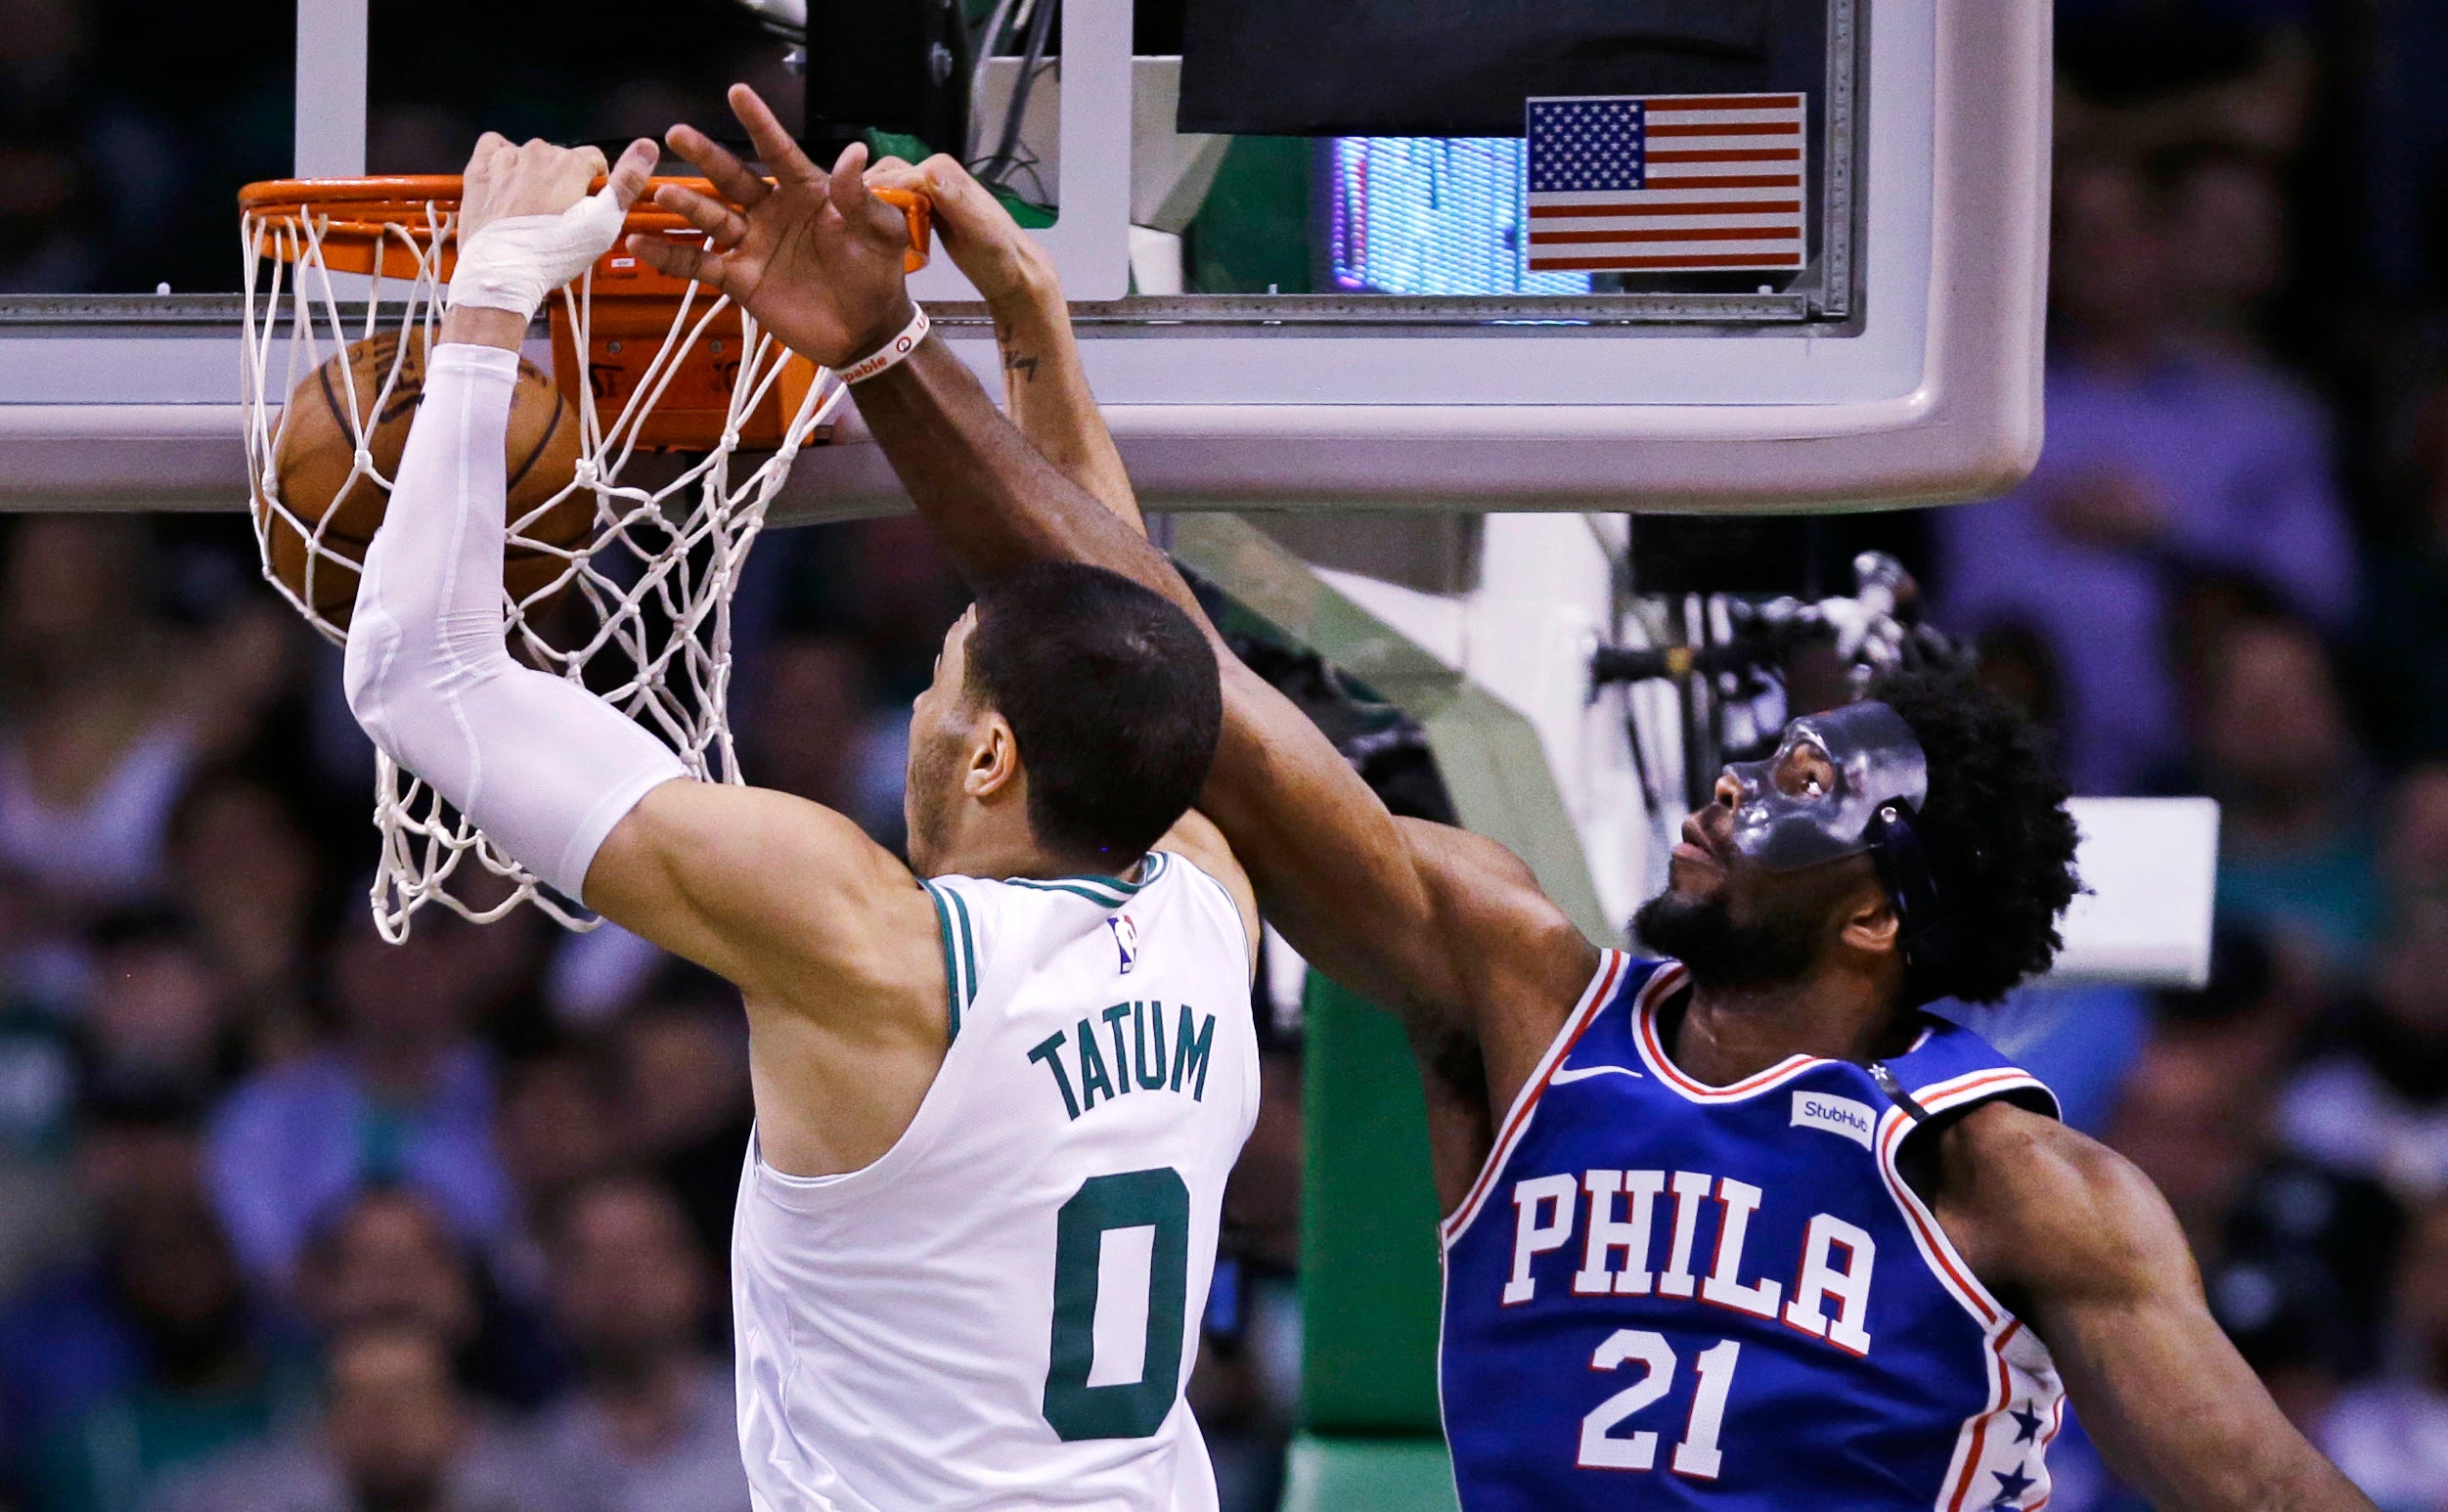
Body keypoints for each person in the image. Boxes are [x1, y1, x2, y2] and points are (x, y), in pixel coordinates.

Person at [626, 84, 2380, 1509]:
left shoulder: (2006, 1181)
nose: (1741, 780)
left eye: (1807, 786)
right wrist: (896, 353)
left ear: (1874, 912)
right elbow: (1190, 698)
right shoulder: (1528, 995)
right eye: (1768, 747)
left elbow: (2264, 1490)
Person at [336, 134, 1261, 1508]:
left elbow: (421, 672)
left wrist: (492, 293)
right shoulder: (1210, 909)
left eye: (941, 679)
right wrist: (1019, 334)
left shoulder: (875, 949)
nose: (923, 712)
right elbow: (1131, 633)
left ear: (993, 752)